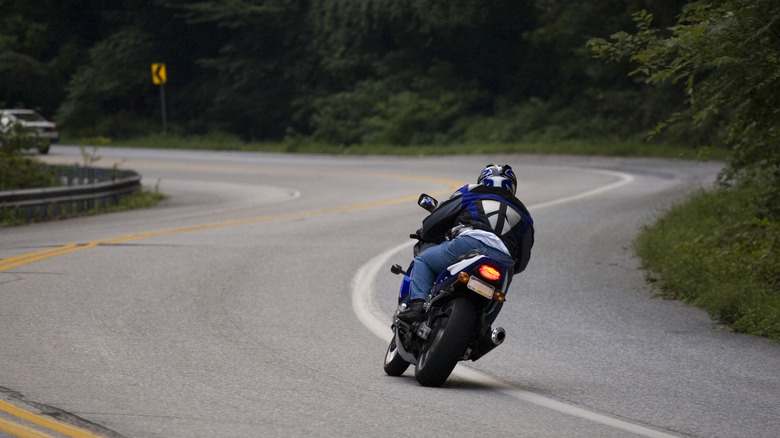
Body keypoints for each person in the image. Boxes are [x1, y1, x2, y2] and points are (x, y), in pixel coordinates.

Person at [397, 164, 534, 323]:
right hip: (503, 260)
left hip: (469, 244)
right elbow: (522, 262)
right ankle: (483, 329)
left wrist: (425, 232)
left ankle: (417, 306)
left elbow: (440, 216)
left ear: (483, 180)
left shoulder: (472, 191)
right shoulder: (524, 214)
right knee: (498, 297)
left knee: (423, 260)